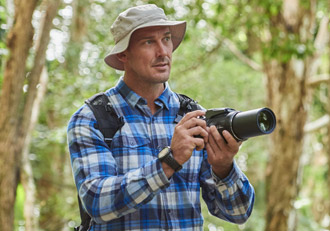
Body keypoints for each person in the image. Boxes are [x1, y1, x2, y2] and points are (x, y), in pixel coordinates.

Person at [68, 4, 255, 230]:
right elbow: (97, 202)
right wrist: (170, 160)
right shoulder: (92, 119)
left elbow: (239, 213)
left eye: (166, 39)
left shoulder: (192, 115)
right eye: (148, 42)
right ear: (123, 54)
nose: (163, 52)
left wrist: (224, 168)